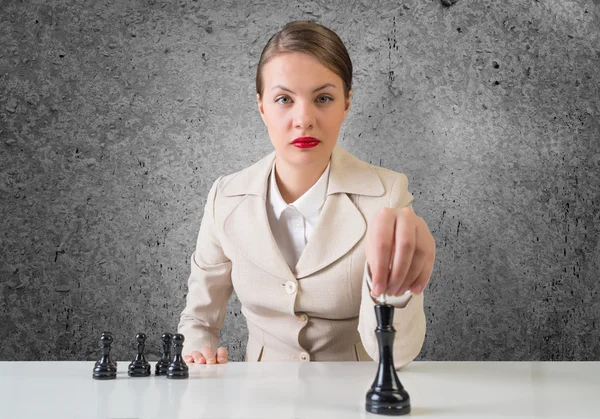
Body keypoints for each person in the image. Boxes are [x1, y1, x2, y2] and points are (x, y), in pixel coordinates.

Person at [178, 21, 436, 368]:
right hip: (260, 396)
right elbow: (199, 320)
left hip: (355, 393)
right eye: (284, 99)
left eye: (323, 98)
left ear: (346, 103)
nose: (304, 119)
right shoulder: (224, 197)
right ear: (261, 107)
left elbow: (398, 355)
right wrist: (198, 349)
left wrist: (394, 289)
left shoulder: (387, 197)